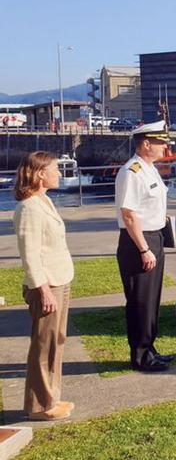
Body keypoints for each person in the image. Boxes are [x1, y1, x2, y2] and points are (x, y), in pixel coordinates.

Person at [13, 151, 76, 420]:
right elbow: (30, 255)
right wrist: (43, 289)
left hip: (59, 280)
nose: (59, 173)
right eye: (54, 169)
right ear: (40, 174)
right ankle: (39, 405)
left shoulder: (44, 201)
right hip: (47, 286)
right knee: (43, 345)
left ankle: (51, 398)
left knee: (55, 342)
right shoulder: (28, 207)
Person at [116, 121, 174, 372]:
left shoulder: (150, 169)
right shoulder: (132, 171)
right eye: (161, 143)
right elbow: (128, 214)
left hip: (154, 237)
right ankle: (140, 356)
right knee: (140, 300)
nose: (165, 147)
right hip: (138, 241)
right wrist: (143, 248)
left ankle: (149, 348)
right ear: (146, 144)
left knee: (151, 300)